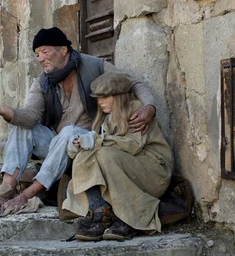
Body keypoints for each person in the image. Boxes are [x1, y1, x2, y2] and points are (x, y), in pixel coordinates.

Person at [0, 27, 157, 214]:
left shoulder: (94, 66)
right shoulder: (42, 82)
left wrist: (149, 106)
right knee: (21, 127)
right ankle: (5, 191)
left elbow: (133, 83)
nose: (40, 59)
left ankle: (27, 195)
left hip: (87, 146)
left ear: (63, 50)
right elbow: (29, 117)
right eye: (37, 54)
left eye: (45, 52)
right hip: (57, 147)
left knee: (69, 131)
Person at [65, 72, 173, 241]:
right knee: (84, 156)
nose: (100, 102)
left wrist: (96, 140)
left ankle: (127, 219)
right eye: (98, 98)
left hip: (154, 171)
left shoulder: (136, 108)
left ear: (118, 96)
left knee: (104, 154)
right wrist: (76, 146)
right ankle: (100, 212)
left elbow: (132, 145)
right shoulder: (107, 118)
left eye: (105, 97)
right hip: (130, 169)